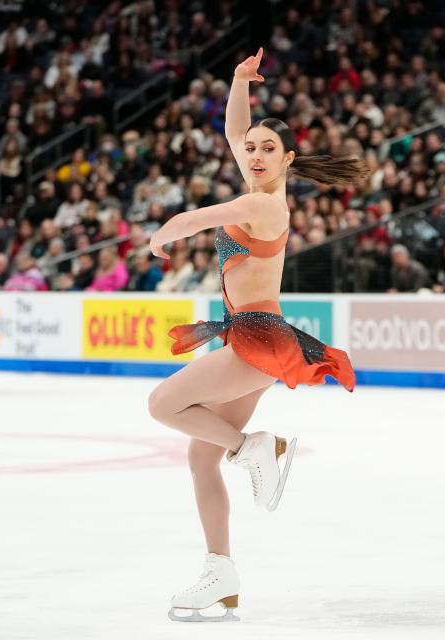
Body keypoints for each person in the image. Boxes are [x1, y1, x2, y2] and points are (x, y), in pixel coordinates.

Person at [147, 48, 364, 623]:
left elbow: (196, 219)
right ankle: (220, 573)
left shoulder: (264, 204)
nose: (257, 154)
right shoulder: (255, 181)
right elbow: (235, 129)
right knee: (200, 455)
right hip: (249, 336)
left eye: (270, 149)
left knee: (162, 403)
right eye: (253, 150)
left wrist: (167, 229)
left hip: (256, 337)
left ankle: (255, 449)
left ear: (289, 159)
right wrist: (240, 80)